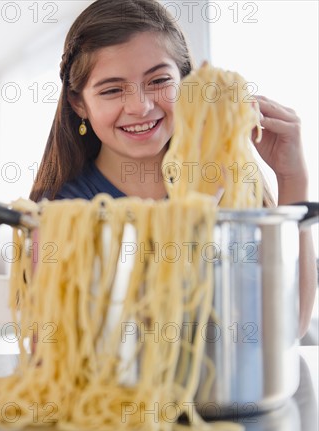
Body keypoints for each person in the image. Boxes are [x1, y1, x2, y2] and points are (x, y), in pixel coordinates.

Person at [29, 0, 316, 335]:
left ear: (186, 83)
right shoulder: (64, 208)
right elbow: (104, 342)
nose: (140, 106)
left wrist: (291, 176)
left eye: (158, 81)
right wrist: (199, 205)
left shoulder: (229, 182)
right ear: (79, 104)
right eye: (111, 90)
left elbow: (286, 325)